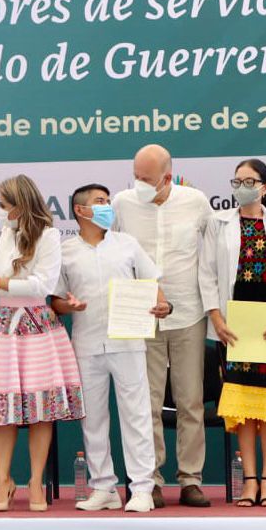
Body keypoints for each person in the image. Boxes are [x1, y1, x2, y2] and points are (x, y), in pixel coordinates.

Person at [0, 174, 84, 512]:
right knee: (3, 409)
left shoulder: (48, 235)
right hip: (4, 325)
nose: (0, 211)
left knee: (40, 409)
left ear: (20, 205)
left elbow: (41, 284)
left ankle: (35, 481)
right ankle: (2, 481)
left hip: (36, 325)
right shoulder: (7, 232)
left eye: (4, 205)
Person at [52, 183, 171, 513]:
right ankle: (103, 487)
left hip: (128, 341)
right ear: (80, 210)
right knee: (93, 420)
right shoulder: (65, 250)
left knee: (136, 416)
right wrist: (68, 306)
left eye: (107, 201)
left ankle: (142, 488)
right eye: (100, 202)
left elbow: (153, 286)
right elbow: (56, 301)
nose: (107, 206)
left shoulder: (127, 244)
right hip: (87, 343)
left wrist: (164, 307)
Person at [112, 144, 213, 508]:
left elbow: (213, 252)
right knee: (147, 401)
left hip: (188, 312)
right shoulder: (122, 203)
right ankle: (149, 479)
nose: (138, 184)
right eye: (135, 176)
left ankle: (190, 480)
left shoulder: (196, 202)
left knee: (190, 400)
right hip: (141, 313)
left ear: (167, 178)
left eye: (147, 179)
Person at [198, 159, 266, 507]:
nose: (242, 186)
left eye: (249, 181)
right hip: (233, 329)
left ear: (265, 187)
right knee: (242, 404)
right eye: (237, 180)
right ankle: (249, 480)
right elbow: (207, 274)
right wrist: (216, 318)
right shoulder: (218, 222)